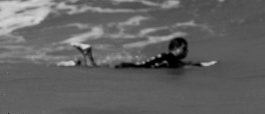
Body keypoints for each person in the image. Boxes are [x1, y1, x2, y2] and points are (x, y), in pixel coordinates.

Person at [61, 37, 217, 68]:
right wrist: (203, 65)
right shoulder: (170, 59)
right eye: (184, 48)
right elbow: (184, 66)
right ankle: (86, 53)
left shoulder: (167, 57)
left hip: (130, 66)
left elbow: (183, 64)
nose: (186, 51)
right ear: (175, 49)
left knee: (97, 69)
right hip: (129, 69)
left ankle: (78, 62)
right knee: (94, 71)